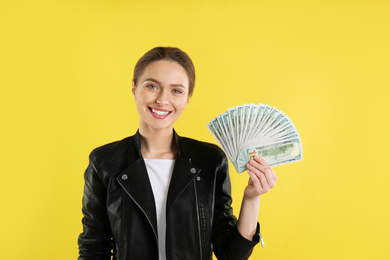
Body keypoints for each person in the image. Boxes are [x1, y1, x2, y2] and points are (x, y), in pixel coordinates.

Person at [77, 47, 278, 260]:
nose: (162, 100)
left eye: (176, 90)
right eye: (152, 86)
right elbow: (93, 249)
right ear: (135, 89)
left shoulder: (210, 160)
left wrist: (252, 198)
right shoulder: (105, 162)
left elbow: (231, 255)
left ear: (187, 98)